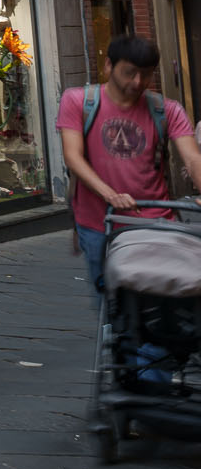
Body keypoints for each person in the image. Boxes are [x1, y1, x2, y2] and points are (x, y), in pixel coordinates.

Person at [57, 34, 201, 306]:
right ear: (109, 66)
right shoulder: (78, 102)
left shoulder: (166, 110)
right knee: (111, 306)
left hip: (156, 221)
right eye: (129, 73)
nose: (137, 83)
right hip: (99, 222)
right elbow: (73, 156)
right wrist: (110, 194)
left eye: (145, 75)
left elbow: (193, 159)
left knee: (166, 301)